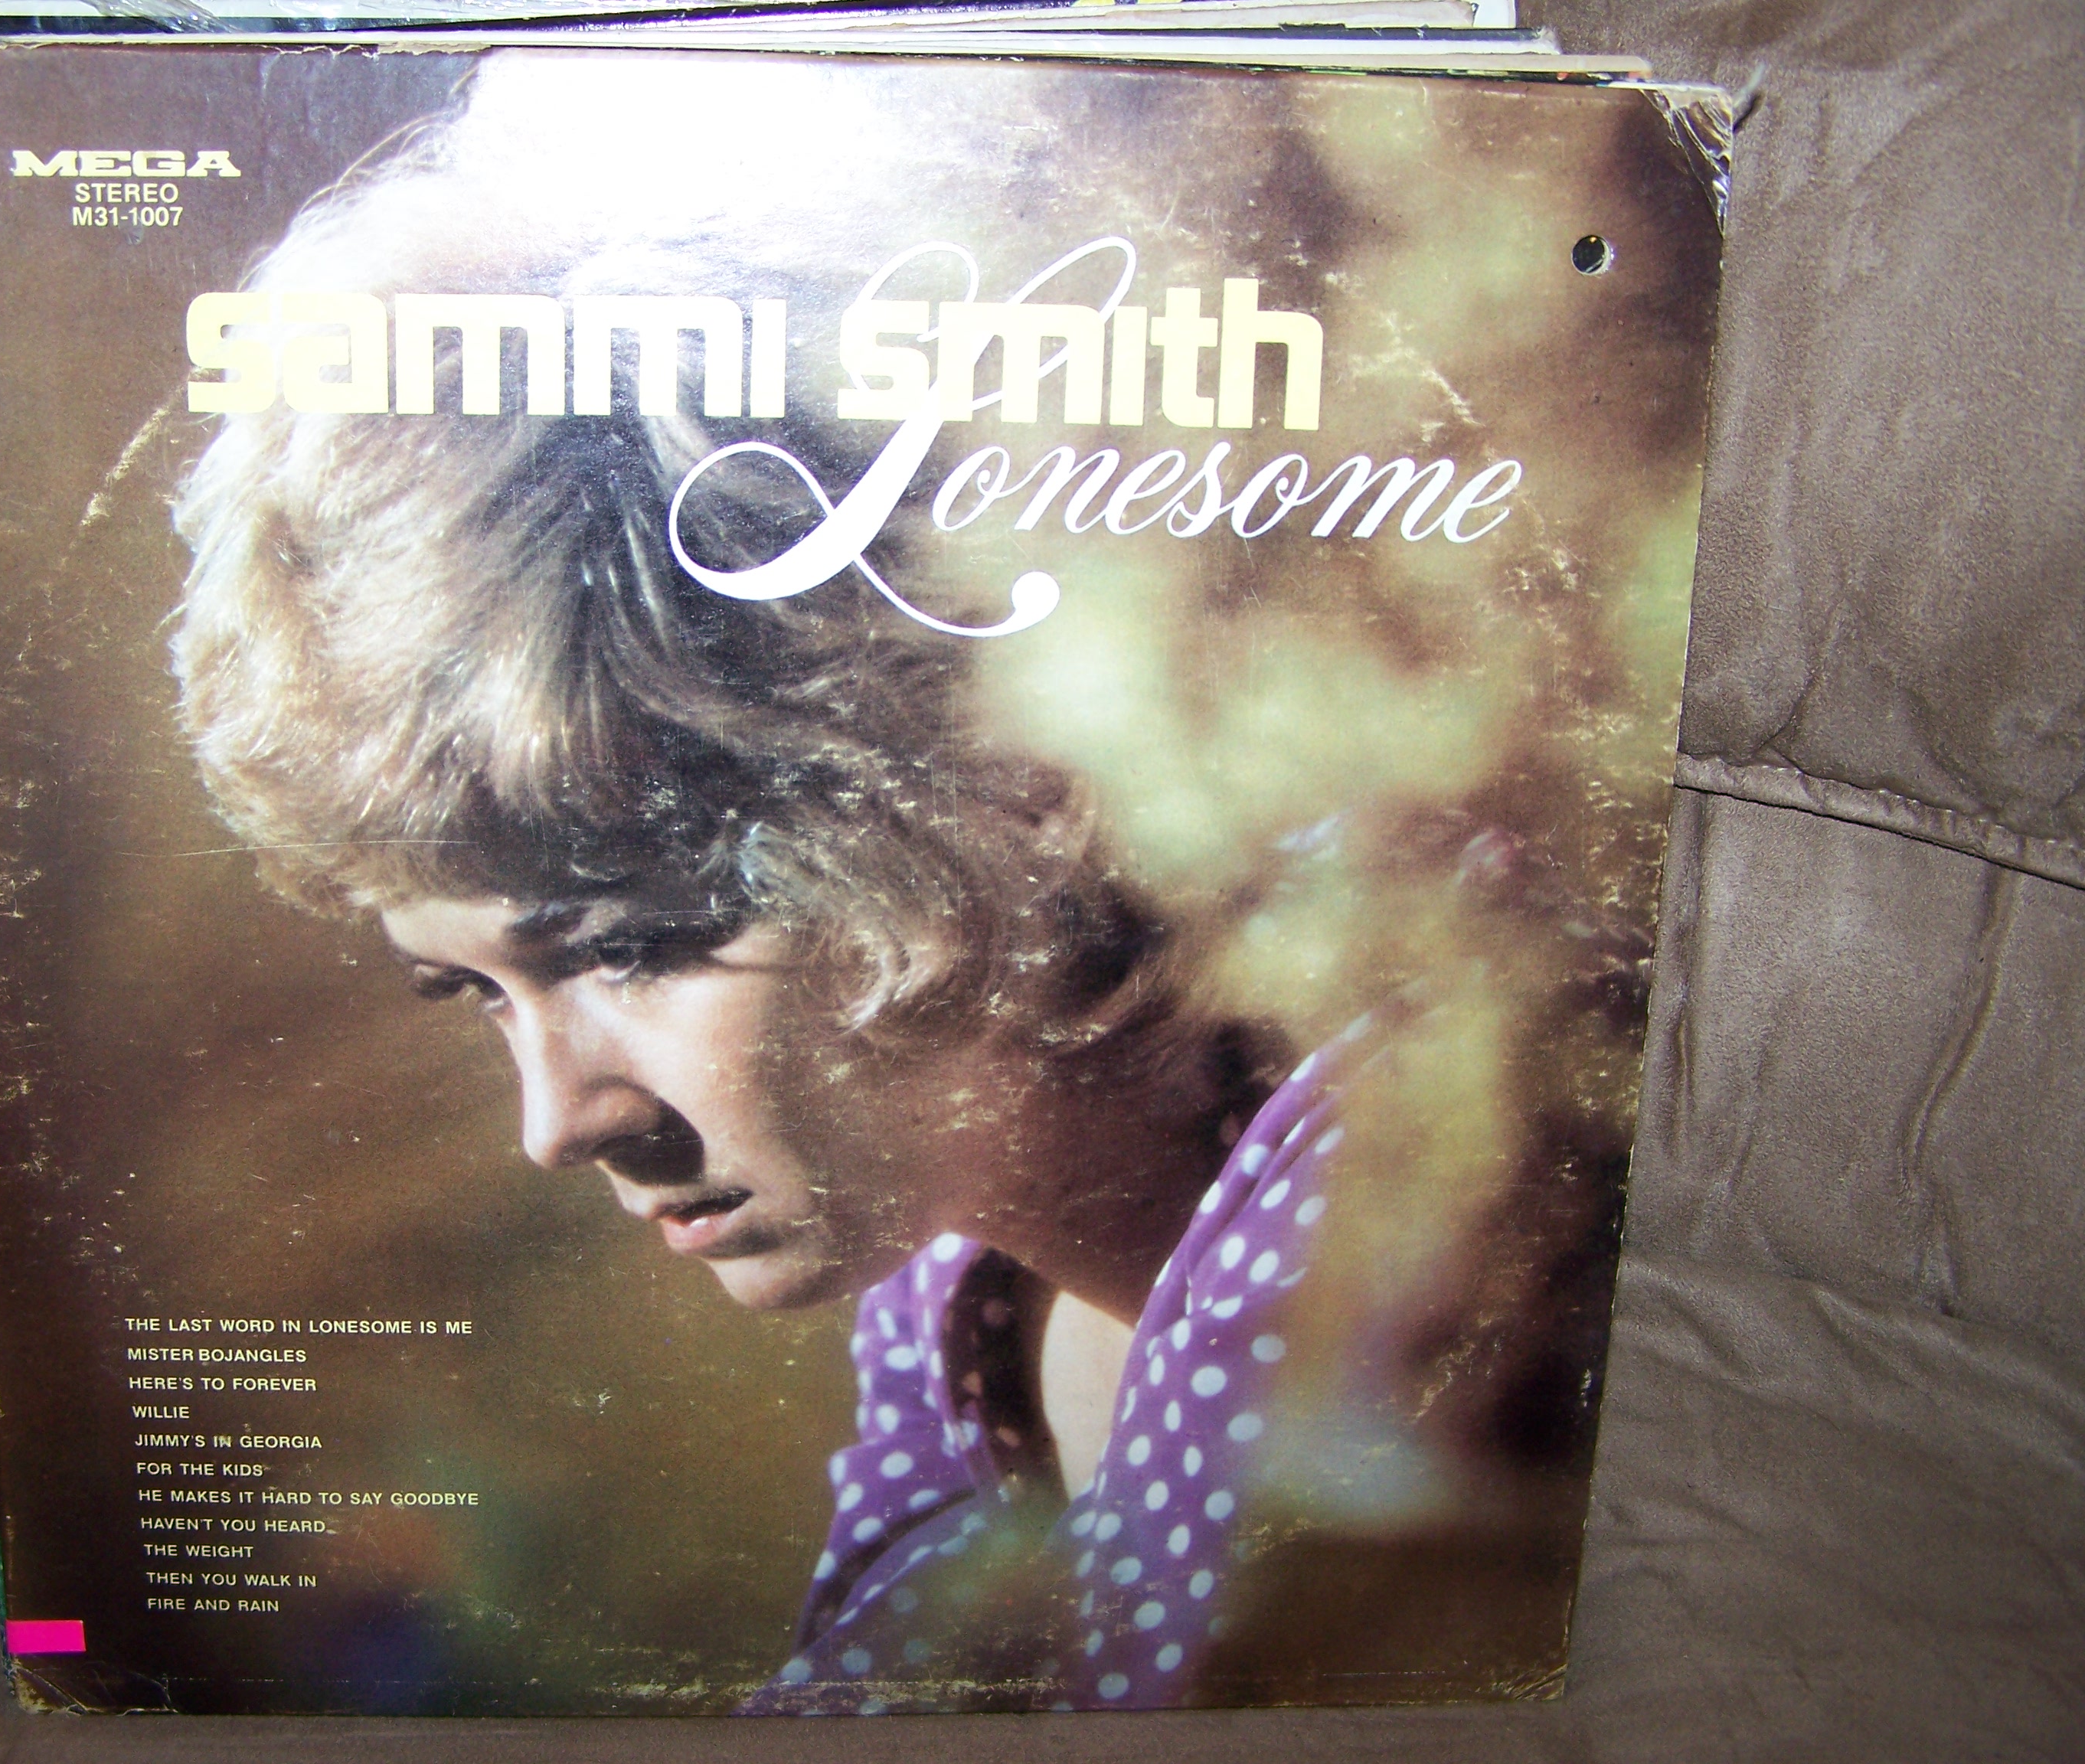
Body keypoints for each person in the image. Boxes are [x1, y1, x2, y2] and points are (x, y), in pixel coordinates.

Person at [168, 54, 1638, 1713]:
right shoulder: (956, 1273)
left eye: (636, 946)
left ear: (972, 771)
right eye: (474, 991)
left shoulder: (1425, 1154)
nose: (561, 1123)